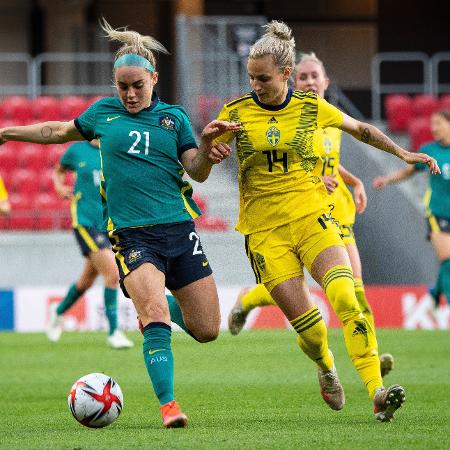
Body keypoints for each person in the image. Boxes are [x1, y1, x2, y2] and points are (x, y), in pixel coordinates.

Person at [0, 18, 240, 429]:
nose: (129, 94)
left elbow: (196, 173)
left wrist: (204, 147)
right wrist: (9, 133)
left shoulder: (174, 119)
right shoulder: (102, 114)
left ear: (153, 79)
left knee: (207, 329)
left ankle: (155, 308)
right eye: (122, 86)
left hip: (180, 232)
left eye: (137, 85)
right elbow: (57, 130)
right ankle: (169, 407)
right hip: (131, 235)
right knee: (154, 314)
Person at [214, 21, 439, 421]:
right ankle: (325, 364)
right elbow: (198, 169)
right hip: (266, 234)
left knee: (347, 297)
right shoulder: (236, 112)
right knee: (313, 331)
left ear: (285, 75)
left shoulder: (312, 109)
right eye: (251, 77)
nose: (255, 85)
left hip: (314, 218)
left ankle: (377, 393)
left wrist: (403, 155)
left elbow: (363, 129)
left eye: (262, 78)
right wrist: (203, 144)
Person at [228, 52, 394, 378]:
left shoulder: (328, 118)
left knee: (352, 292)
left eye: (314, 76)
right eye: (303, 78)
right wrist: (317, 178)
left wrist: (354, 180)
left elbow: (328, 160)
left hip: (336, 213)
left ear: (325, 81)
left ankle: (371, 362)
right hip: (296, 212)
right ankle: (248, 300)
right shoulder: (290, 118)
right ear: (293, 79)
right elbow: (290, 166)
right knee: (296, 288)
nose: (309, 82)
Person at [47, 139, 134, 349]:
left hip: (107, 223)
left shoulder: (114, 148)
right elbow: (59, 170)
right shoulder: (77, 150)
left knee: (86, 281)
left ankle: (57, 312)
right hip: (85, 221)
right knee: (113, 273)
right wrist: (60, 187)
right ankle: (114, 332)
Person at [373, 109, 450, 310]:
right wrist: (387, 179)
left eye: (438, 123)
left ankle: (434, 293)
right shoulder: (429, 150)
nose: (434, 128)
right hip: (437, 212)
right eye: (432, 124)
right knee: (447, 260)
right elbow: (409, 171)